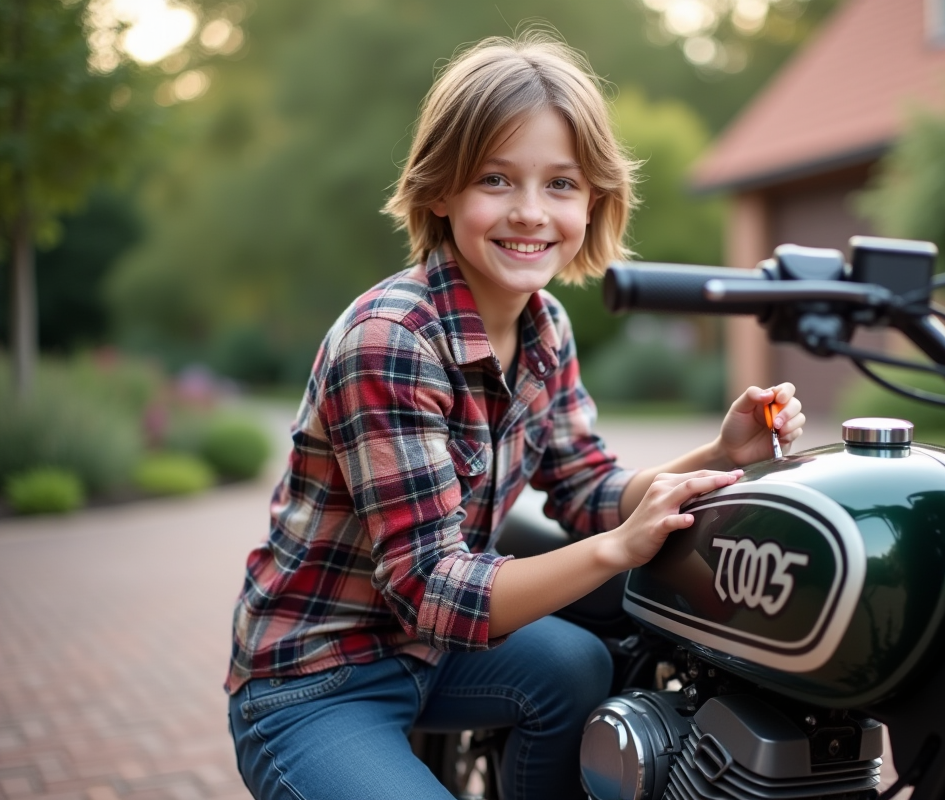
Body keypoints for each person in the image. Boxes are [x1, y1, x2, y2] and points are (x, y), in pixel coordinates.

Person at [225, 30, 805, 800]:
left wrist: (717, 452)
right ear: (441, 191)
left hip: (431, 654)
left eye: (561, 184)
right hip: (317, 677)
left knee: (579, 666)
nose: (531, 213)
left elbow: (588, 488)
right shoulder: (390, 341)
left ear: (594, 198)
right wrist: (619, 551)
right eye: (496, 179)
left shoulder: (544, 328)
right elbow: (432, 587)